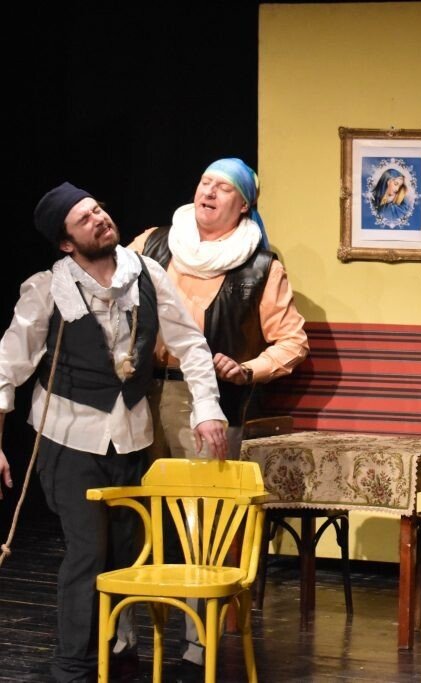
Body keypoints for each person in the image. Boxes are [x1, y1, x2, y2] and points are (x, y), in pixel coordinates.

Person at [0, 182, 227, 682]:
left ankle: (115, 652)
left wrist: (207, 409)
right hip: (68, 437)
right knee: (88, 550)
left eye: (98, 209)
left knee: (125, 551)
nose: (100, 219)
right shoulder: (47, 289)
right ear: (67, 242)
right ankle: (73, 667)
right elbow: (7, 365)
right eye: (85, 219)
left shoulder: (145, 273)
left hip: (131, 436)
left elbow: (190, 344)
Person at [128, 157, 308, 667]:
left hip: (204, 402)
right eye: (204, 182)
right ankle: (122, 633)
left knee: (199, 524)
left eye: (223, 188)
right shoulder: (153, 244)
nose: (208, 192)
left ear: (244, 205)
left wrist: (248, 369)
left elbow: (293, 341)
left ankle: (197, 639)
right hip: (139, 393)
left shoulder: (259, 265)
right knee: (130, 511)